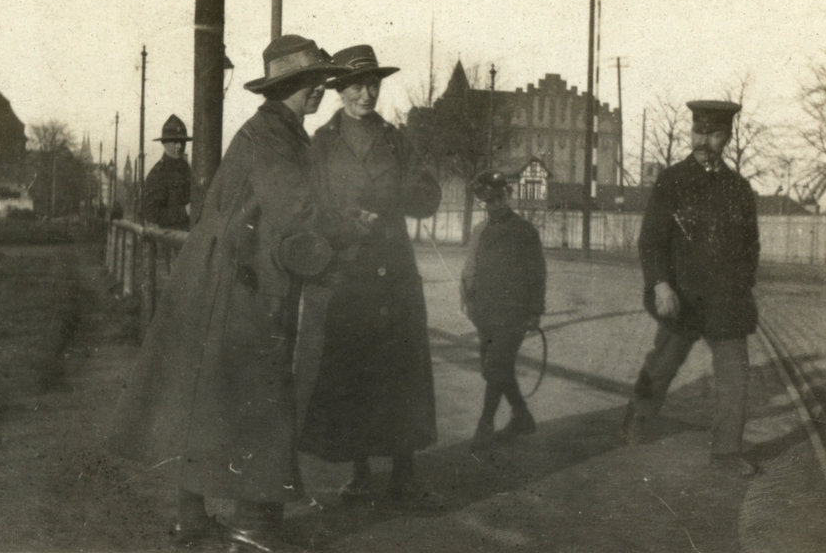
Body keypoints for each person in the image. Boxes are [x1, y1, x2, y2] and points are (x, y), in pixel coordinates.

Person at [108, 35, 372, 553]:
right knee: (259, 397)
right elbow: (295, 212)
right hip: (241, 285)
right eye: (315, 81)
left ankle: (191, 518)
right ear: (297, 87)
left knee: (203, 397)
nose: (321, 90)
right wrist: (350, 227)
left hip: (218, 279)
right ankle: (253, 525)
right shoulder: (275, 135)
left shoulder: (271, 130)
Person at [298, 44, 442, 505]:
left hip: (394, 273)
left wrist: (390, 199)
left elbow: (428, 194)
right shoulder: (321, 143)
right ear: (339, 89)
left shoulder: (397, 139)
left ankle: (404, 471)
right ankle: (360, 472)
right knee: (354, 373)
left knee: (400, 373)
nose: (367, 93)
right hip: (347, 276)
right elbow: (309, 208)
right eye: (357, 84)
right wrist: (346, 219)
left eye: (373, 83)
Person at [621, 99, 761, 478]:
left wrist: (741, 285)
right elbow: (651, 241)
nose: (704, 141)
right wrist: (661, 284)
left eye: (714, 134)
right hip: (681, 297)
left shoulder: (739, 188)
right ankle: (638, 418)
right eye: (699, 132)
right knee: (663, 364)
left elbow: (751, 246)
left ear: (727, 137)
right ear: (691, 132)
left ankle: (727, 453)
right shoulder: (671, 181)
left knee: (735, 378)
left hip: (727, 302)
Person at [460, 169, 546, 452]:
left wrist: (535, 311)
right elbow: (470, 270)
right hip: (485, 313)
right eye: (490, 200)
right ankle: (522, 416)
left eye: (500, 197)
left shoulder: (525, 231)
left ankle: (484, 427)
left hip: (514, 314)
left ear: (508, 196)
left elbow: (537, 273)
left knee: (496, 366)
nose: (495, 204)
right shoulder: (480, 232)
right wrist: (468, 300)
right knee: (495, 369)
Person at [142, 115, 193, 229]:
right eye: (175, 142)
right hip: (167, 241)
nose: (179, 146)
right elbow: (152, 214)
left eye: (182, 142)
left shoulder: (188, 170)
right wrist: (184, 211)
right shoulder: (157, 174)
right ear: (164, 143)